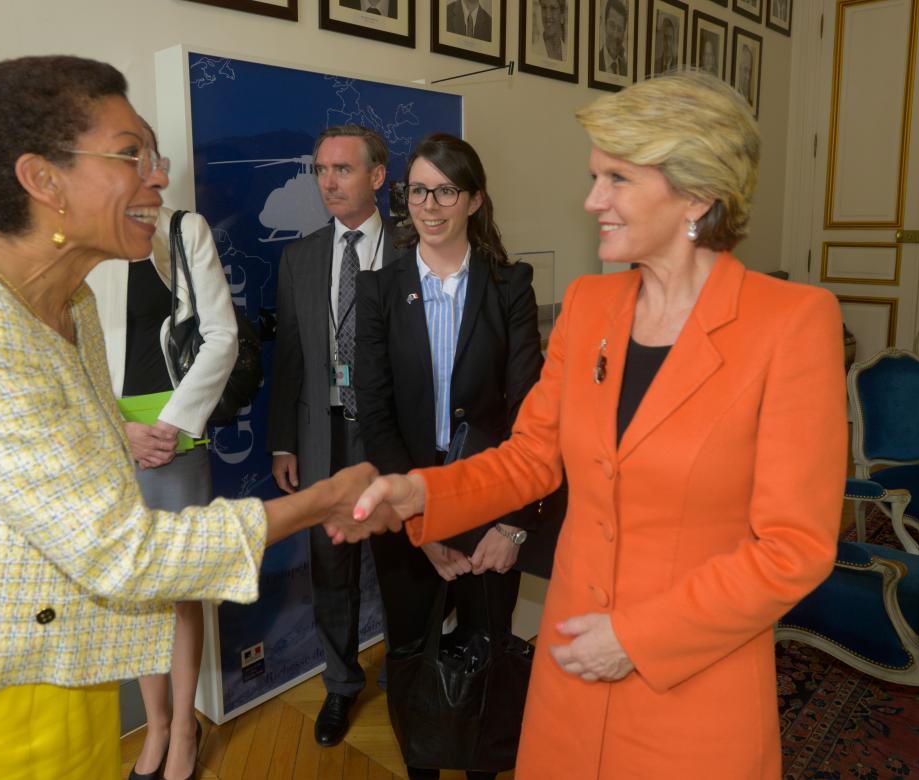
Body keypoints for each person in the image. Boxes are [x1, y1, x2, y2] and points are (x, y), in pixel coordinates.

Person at [0, 55, 397, 780]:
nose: (159, 175)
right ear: (44, 180)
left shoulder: (68, 308)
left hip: (68, 693)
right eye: (132, 154)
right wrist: (320, 499)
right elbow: (125, 555)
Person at [354, 71, 847, 778]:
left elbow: (793, 548)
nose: (591, 201)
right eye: (594, 176)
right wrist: (423, 494)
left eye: (615, 178)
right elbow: (531, 457)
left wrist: (638, 638)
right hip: (573, 666)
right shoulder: (589, 306)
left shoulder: (792, 325)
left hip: (692, 683)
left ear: (698, 193)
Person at [354, 133, 543, 780]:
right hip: (407, 498)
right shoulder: (378, 290)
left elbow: (529, 416)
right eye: (417, 190)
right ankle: (423, 767)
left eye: (445, 190)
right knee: (411, 650)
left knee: (487, 651)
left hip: (492, 500)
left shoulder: (508, 285)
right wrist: (420, 521)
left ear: (474, 199)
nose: (429, 205)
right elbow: (373, 414)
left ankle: (487, 767)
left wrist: (511, 521)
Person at [85, 123, 234, 777]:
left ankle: (183, 735)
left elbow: (222, 337)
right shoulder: (85, 240)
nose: (146, 169)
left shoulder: (183, 231)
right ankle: (157, 726)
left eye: (146, 156)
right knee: (134, 593)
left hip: (176, 433)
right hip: (111, 438)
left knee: (176, 590)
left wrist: (170, 424)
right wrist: (117, 429)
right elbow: (69, 349)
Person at [267, 124, 397, 748]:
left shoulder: (411, 248)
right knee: (332, 567)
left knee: (405, 556)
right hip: (324, 436)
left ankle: (410, 669)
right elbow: (288, 357)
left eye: (342, 169)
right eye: (321, 169)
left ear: (376, 177)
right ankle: (341, 687)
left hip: (392, 436)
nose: (328, 182)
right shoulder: (301, 257)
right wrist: (284, 441)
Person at [598, 0, 628, 76]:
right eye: (612, 25)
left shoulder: (626, 70)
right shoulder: (595, 62)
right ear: (605, 25)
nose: (616, 35)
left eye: (620, 29)